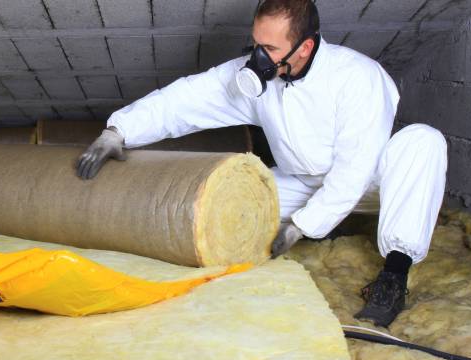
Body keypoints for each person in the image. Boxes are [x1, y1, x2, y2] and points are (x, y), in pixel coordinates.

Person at [75, 0, 447, 328]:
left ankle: (395, 274)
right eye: (256, 44)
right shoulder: (262, 78)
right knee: (224, 208)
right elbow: (187, 98)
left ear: (305, 47)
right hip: (302, 182)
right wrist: (119, 130)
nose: (259, 58)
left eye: (269, 48)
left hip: (375, 182)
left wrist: (302, 226)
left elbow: (354, 169)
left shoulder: (358, 76)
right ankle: (324, 224)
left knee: (423, 141)